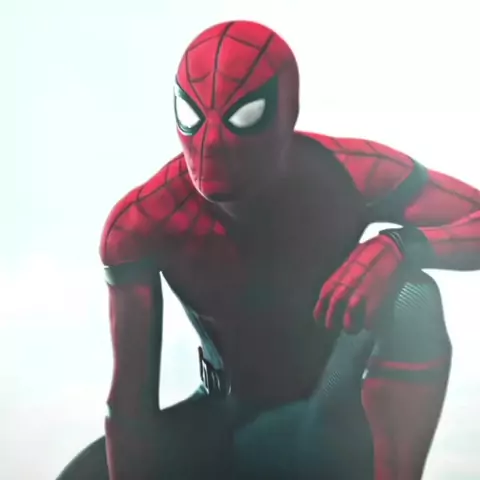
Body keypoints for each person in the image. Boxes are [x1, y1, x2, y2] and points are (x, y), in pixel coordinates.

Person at [56, 20, 480, 480]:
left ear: (287, 111)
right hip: (225, 420)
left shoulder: (347, 174)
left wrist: (399, 246)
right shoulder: (143, 222)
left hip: (328, 412)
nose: (212, 144)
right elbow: (129, 408)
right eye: (192, 116)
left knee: (412, 293)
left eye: (243, 116)